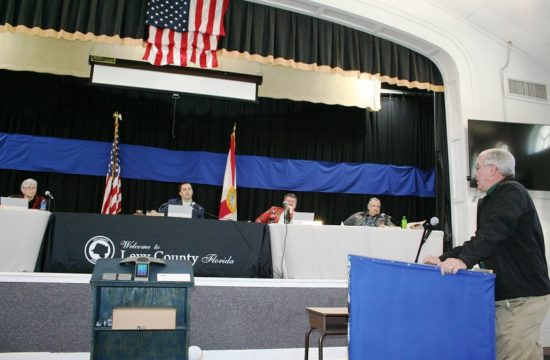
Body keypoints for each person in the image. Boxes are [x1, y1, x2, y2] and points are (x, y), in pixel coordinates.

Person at [423, 148, 550, 359]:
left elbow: (493, 233)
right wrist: (444, 258)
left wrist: (463, 260)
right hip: (512, 297)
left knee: (512, 354)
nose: (475, 174)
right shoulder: (495, 198)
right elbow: (481, 239)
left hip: (522, 298)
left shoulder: (511, 192)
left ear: (493, 169)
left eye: (478, 168)